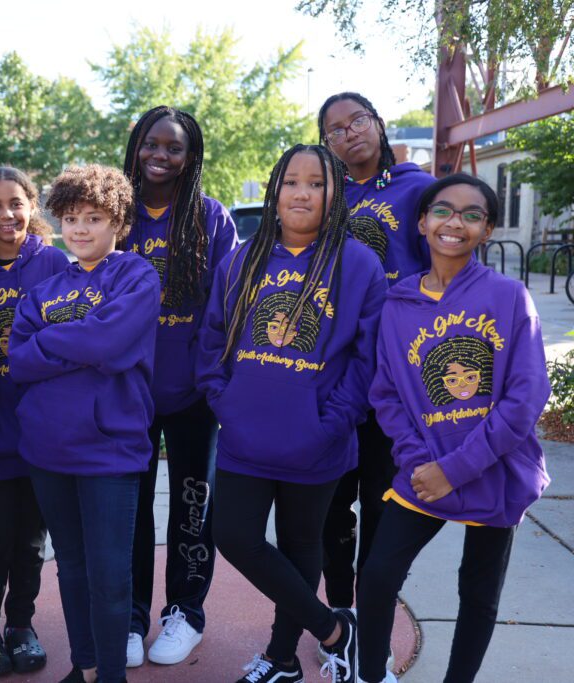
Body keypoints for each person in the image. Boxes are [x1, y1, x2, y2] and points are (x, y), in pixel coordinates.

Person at [196, 145, 387, 683]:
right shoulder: (244, 258)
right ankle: (333, 630)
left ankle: (282, 658)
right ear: (274, 191)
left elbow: (368, 361)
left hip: (317, 441)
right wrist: (223, 401)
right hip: (242, 436)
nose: (302, 192)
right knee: (233, 536)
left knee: (302, 545)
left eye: (317, 183)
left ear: (335, 195)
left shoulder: (358, 264)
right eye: (291, 181)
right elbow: (212, 338)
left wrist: (331, 422)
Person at [358, 174, 550, 683]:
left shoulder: (509, 297)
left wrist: (455, 468)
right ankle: (371, 675)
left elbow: (525, 397)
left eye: (471, 214)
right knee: (376, 578)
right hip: (424, 471)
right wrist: (419, 461)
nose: (454, 223)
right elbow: (387, 393)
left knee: (479, 594)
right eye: (443, 211)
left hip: (496, 469)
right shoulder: (398, 304)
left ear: (486, 230)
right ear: (422, 222)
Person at [10, 164, 160, 683]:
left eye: (93, 218)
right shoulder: (44, 290)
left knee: (110, 575)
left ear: (116, 221)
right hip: (47, 449)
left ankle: (112, 675)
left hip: (110, 451)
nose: (79, 229)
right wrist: (83, 342)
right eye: (70, 218)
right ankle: (88, 666)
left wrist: (56, 342)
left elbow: (110, 343)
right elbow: (19, 361)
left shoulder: (137, 275)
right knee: (70, 565)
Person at [120, 105, 237, 666]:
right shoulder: (116, 213)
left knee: (193, 507)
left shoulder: (211, 218)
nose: (160, 155)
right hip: (127, 393)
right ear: (136, 145)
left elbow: (225, 309)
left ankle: (185, 612)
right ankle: (129, 612)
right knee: (129, 507)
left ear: (191, 157)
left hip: (191, 394)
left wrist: (210, 380)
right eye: (151, 144)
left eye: (174, 147)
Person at [317, 93, 436, 620]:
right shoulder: (324, 193)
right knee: (331, 506)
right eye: (335, 130)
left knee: (384, 503)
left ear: (379, 124)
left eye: (357, 121)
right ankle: (340, 609)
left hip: (397, 374)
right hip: (337, 370)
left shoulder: (418, 188)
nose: (349, 134)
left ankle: (373, 620)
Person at [0, 167, 70, 678]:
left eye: (17, 202)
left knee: (31, 538)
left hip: (41, 423)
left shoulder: (53, 263)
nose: (7, 214)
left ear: (33, 206)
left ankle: (21, 624)